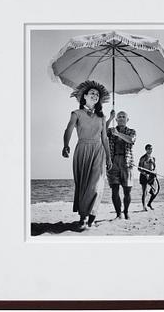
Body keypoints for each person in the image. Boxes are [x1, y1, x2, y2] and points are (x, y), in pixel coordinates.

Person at [62, 80, 112, 229]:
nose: (95, 95)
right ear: (84, 96)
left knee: (96, 185)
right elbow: (69, 129)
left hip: (98, 151)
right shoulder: (76, 113)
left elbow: (104, 138)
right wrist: (66, 145)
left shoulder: (102, 117)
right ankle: (83, 216)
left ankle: (92, 215)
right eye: (92, 93)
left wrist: (109, 157)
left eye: (97, 94)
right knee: (83, 184)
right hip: (82, 149)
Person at [106, 110, 136, 220]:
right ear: (117, 119)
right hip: (113, 161)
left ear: (127, 119)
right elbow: (101, 131)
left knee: (127, 190)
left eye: (124, 116)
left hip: (127, 162)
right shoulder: (111, 130)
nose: (121, 118)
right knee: (114, 189)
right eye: (119, 117)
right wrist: (110, 118)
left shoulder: (131, 131)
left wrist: (118, 134)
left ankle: (126, 211)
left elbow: (131, 140)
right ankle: (118, 213)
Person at [138, 144, 160, 211]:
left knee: (156, 189)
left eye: (151, 149)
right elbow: (139, 168)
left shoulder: (153, 158)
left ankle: (149, 203)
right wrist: (144, 173)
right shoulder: (143, 158)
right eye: (148, 149)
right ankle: (144, 206)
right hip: (144, 175)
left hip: (151, 175)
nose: (150, 150)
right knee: (145, 192)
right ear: (146, 149)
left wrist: (155, 171)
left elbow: (155, 167)